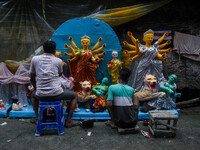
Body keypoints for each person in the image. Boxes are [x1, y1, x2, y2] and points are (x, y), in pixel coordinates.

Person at [30, 40, 79, 128]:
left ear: (43, 49)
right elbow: (60, 75)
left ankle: (38, 118)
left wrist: (36, 88)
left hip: (40, 94)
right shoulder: (58, 61)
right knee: (74, 95)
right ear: (54, 50)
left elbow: (32, 77)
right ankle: (68, 121)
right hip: (56, 93)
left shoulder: (35, 59)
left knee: (33, 95)